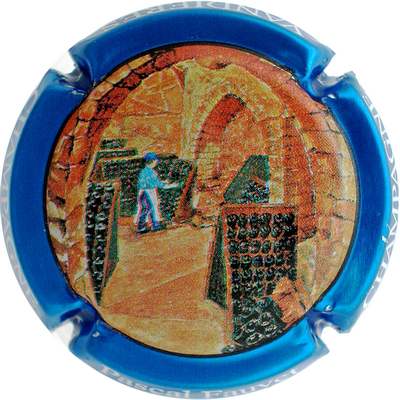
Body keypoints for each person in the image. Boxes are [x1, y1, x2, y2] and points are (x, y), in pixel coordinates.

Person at [134, 152, 179, 233]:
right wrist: (171, 185)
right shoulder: (151, 172)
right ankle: (153, 226)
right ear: (152, 161)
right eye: (156, 161)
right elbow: (157, 184)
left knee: (146, 209)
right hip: (148, 193)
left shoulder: (145, 171)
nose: (156, 162)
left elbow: (152, 182)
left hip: (144, 192)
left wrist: (163, 182)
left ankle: (143, 226)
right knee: (151, 208)